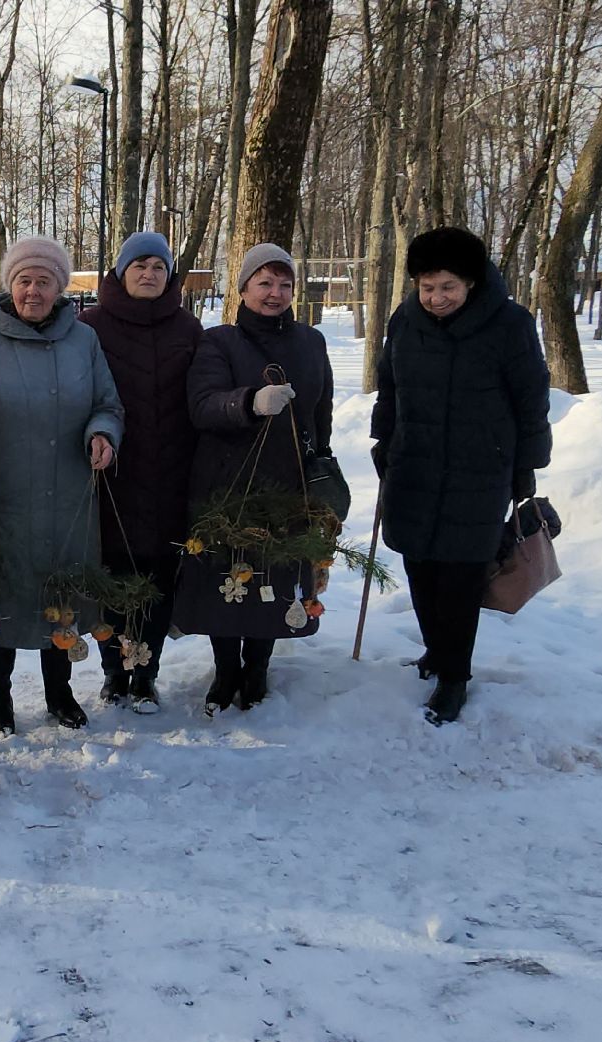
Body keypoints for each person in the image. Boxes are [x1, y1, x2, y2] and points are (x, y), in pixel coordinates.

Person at [370, 227, 552, 725]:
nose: (436, 298)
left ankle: (455, 677)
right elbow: (390, 386)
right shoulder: (406, 320)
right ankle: (435, 649)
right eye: (427, 287)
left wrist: (527, 464)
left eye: (447, 286)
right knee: (420, 564)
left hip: (481, 467)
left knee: (460, 574)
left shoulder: (509, 324)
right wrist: (382, 440)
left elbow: (532, 397)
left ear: (470, 282)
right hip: (415, 461)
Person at [0, 235, 123, 734]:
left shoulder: (83, 341)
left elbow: (107, 404)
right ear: (10, 285)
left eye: (44, 281)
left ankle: (59, 693)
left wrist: (102, 433)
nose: (33, 291)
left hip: (68, 499)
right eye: (24, 280)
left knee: (58, 595)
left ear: (60, 288)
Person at [174, 243, 333, 716]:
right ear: (243, 289)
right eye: (264, 283)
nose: (275, 293)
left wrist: (320, 460)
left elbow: (320, 412)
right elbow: (202, 405)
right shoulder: (218, 341)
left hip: (289, 481)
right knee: (229, 577)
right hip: (228, 481)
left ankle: (258, 667)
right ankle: (226, 672)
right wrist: (248, 403)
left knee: (277, 575)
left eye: (285, 285)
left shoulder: (311, 342)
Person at [78, 232, 201, 714]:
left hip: (172, 476)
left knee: (158, 578)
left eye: (158, 266)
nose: (149, 274)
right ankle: (113, 671)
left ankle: (146, 673)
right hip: (111, 476)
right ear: (120, 272)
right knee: (112, 575)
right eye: (138, 266)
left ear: (170, 274)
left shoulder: (189, 329)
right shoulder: (89, 327)